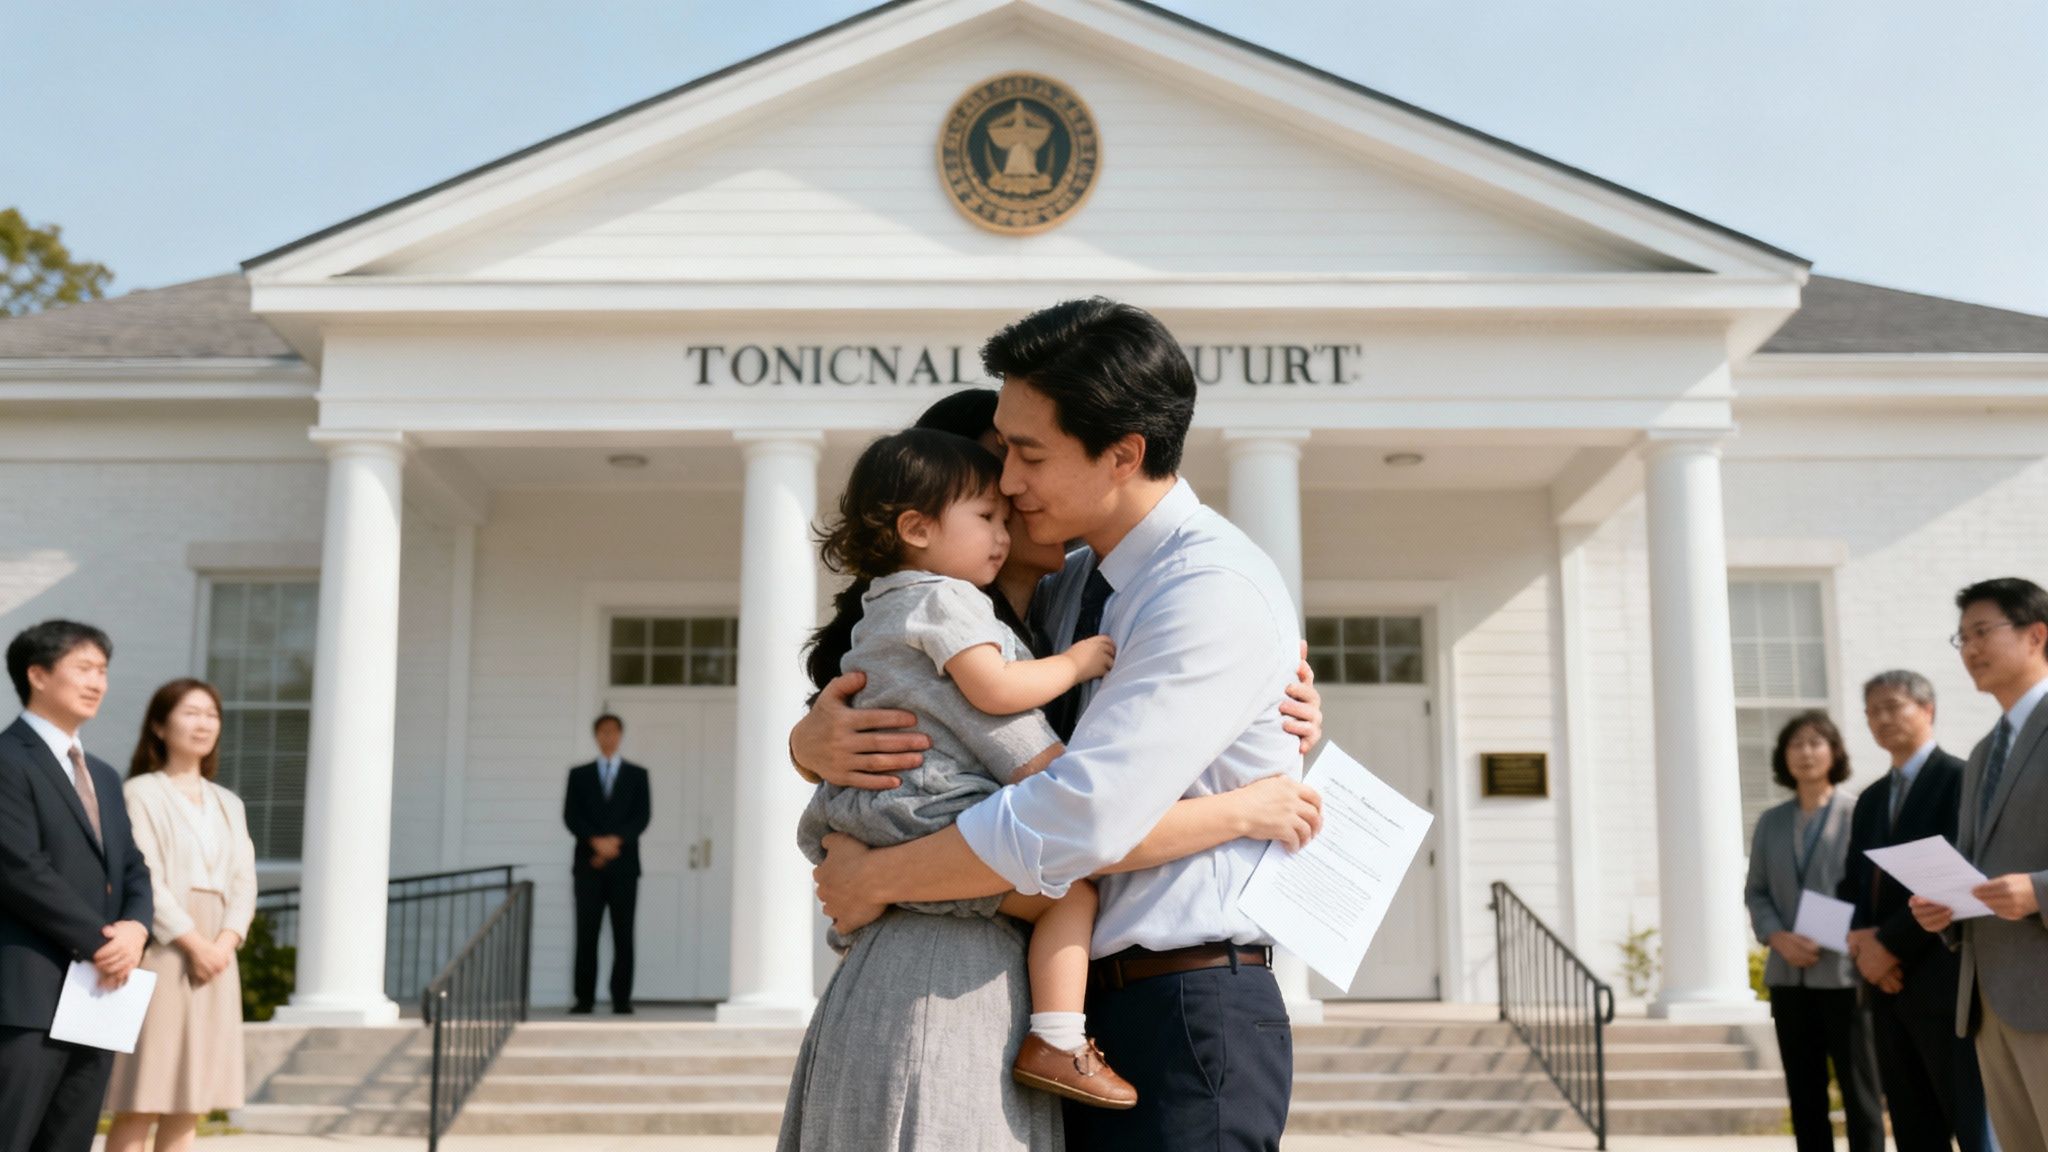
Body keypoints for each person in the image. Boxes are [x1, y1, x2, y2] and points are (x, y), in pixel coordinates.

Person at [811, 299, 1308, 1151]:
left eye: (1027, 456)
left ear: (1123, 455)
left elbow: (1077, 813)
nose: (1005, 484)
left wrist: (884, 878)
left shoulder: (1208, 591)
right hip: (1071, 1007)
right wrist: (808, 742)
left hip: (1182, 1009)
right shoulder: (1073, 589)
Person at [0, 620, 153, 1152]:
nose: (97, 683)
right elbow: (18, 867)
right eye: (83, 668)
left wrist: (136, 928)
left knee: (70, 1140)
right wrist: (103, 941)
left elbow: (132, 867)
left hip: (97, 993)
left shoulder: (104, 775)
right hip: (26, 993)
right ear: (37, 675)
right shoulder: (7, 760)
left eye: (103, 671)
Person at [1912, 578, 2048, 1152]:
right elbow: (1977, 865)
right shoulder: (1984, 753)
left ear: (2037, 634)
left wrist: (2041, 892)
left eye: (1982, 631)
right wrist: (1946, 909)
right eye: (1961, 637)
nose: (1969, 648)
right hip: (1989, 1002)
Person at [1843, 669, 1996, 1152]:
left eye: (1894, 706)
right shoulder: (1869, 799)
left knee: (1972, 1124)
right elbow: (1854, 884)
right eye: (1873, 711)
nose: (1882, 719)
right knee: (1913, 1130)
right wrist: (1865, 946)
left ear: (1927, 710)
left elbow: (1955, 875)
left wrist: (1887, 947)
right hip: (1887, 992)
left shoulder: (1960, 778)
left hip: (1944, 978)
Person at [106, 679, 259, 1152]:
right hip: (165, 949)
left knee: (190, 1100)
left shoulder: (228, 803)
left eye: (211, 714)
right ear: (159, 724)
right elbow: (144, 875)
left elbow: (243, 881)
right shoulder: (140, 794)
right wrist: (195, 943)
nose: (203, 723)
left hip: (218, 954)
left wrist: (225, 943)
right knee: (143, 1094)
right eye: (191, 712)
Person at [1744, 710, 1885, 1152]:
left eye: (1815, 742)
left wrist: (1838, 934)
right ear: (1784, 757)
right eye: (1795, 744)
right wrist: (1776, 936)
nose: (1805, 753)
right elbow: (1757, 892)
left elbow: (1871, 888)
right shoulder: (1771, 822)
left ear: (1834, 753)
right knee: (1804, 1095)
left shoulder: (1856, 813)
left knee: (1860, 1092)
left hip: (1845, 974)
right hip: (1789, 975)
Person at [562, 713, 650, 1014]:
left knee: (623, 934)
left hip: (624, 867)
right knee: (586, 934)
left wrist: (615, 842)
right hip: (588, 866)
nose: (608, 736)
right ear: (596, 735)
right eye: (602, 731)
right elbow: (572, 816)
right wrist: (596, 842)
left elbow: (642, 817)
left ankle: (621, 999)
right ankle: (583, 999)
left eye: (613, 731)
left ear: (620, 734)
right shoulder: (579, 775)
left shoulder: (637, 775)